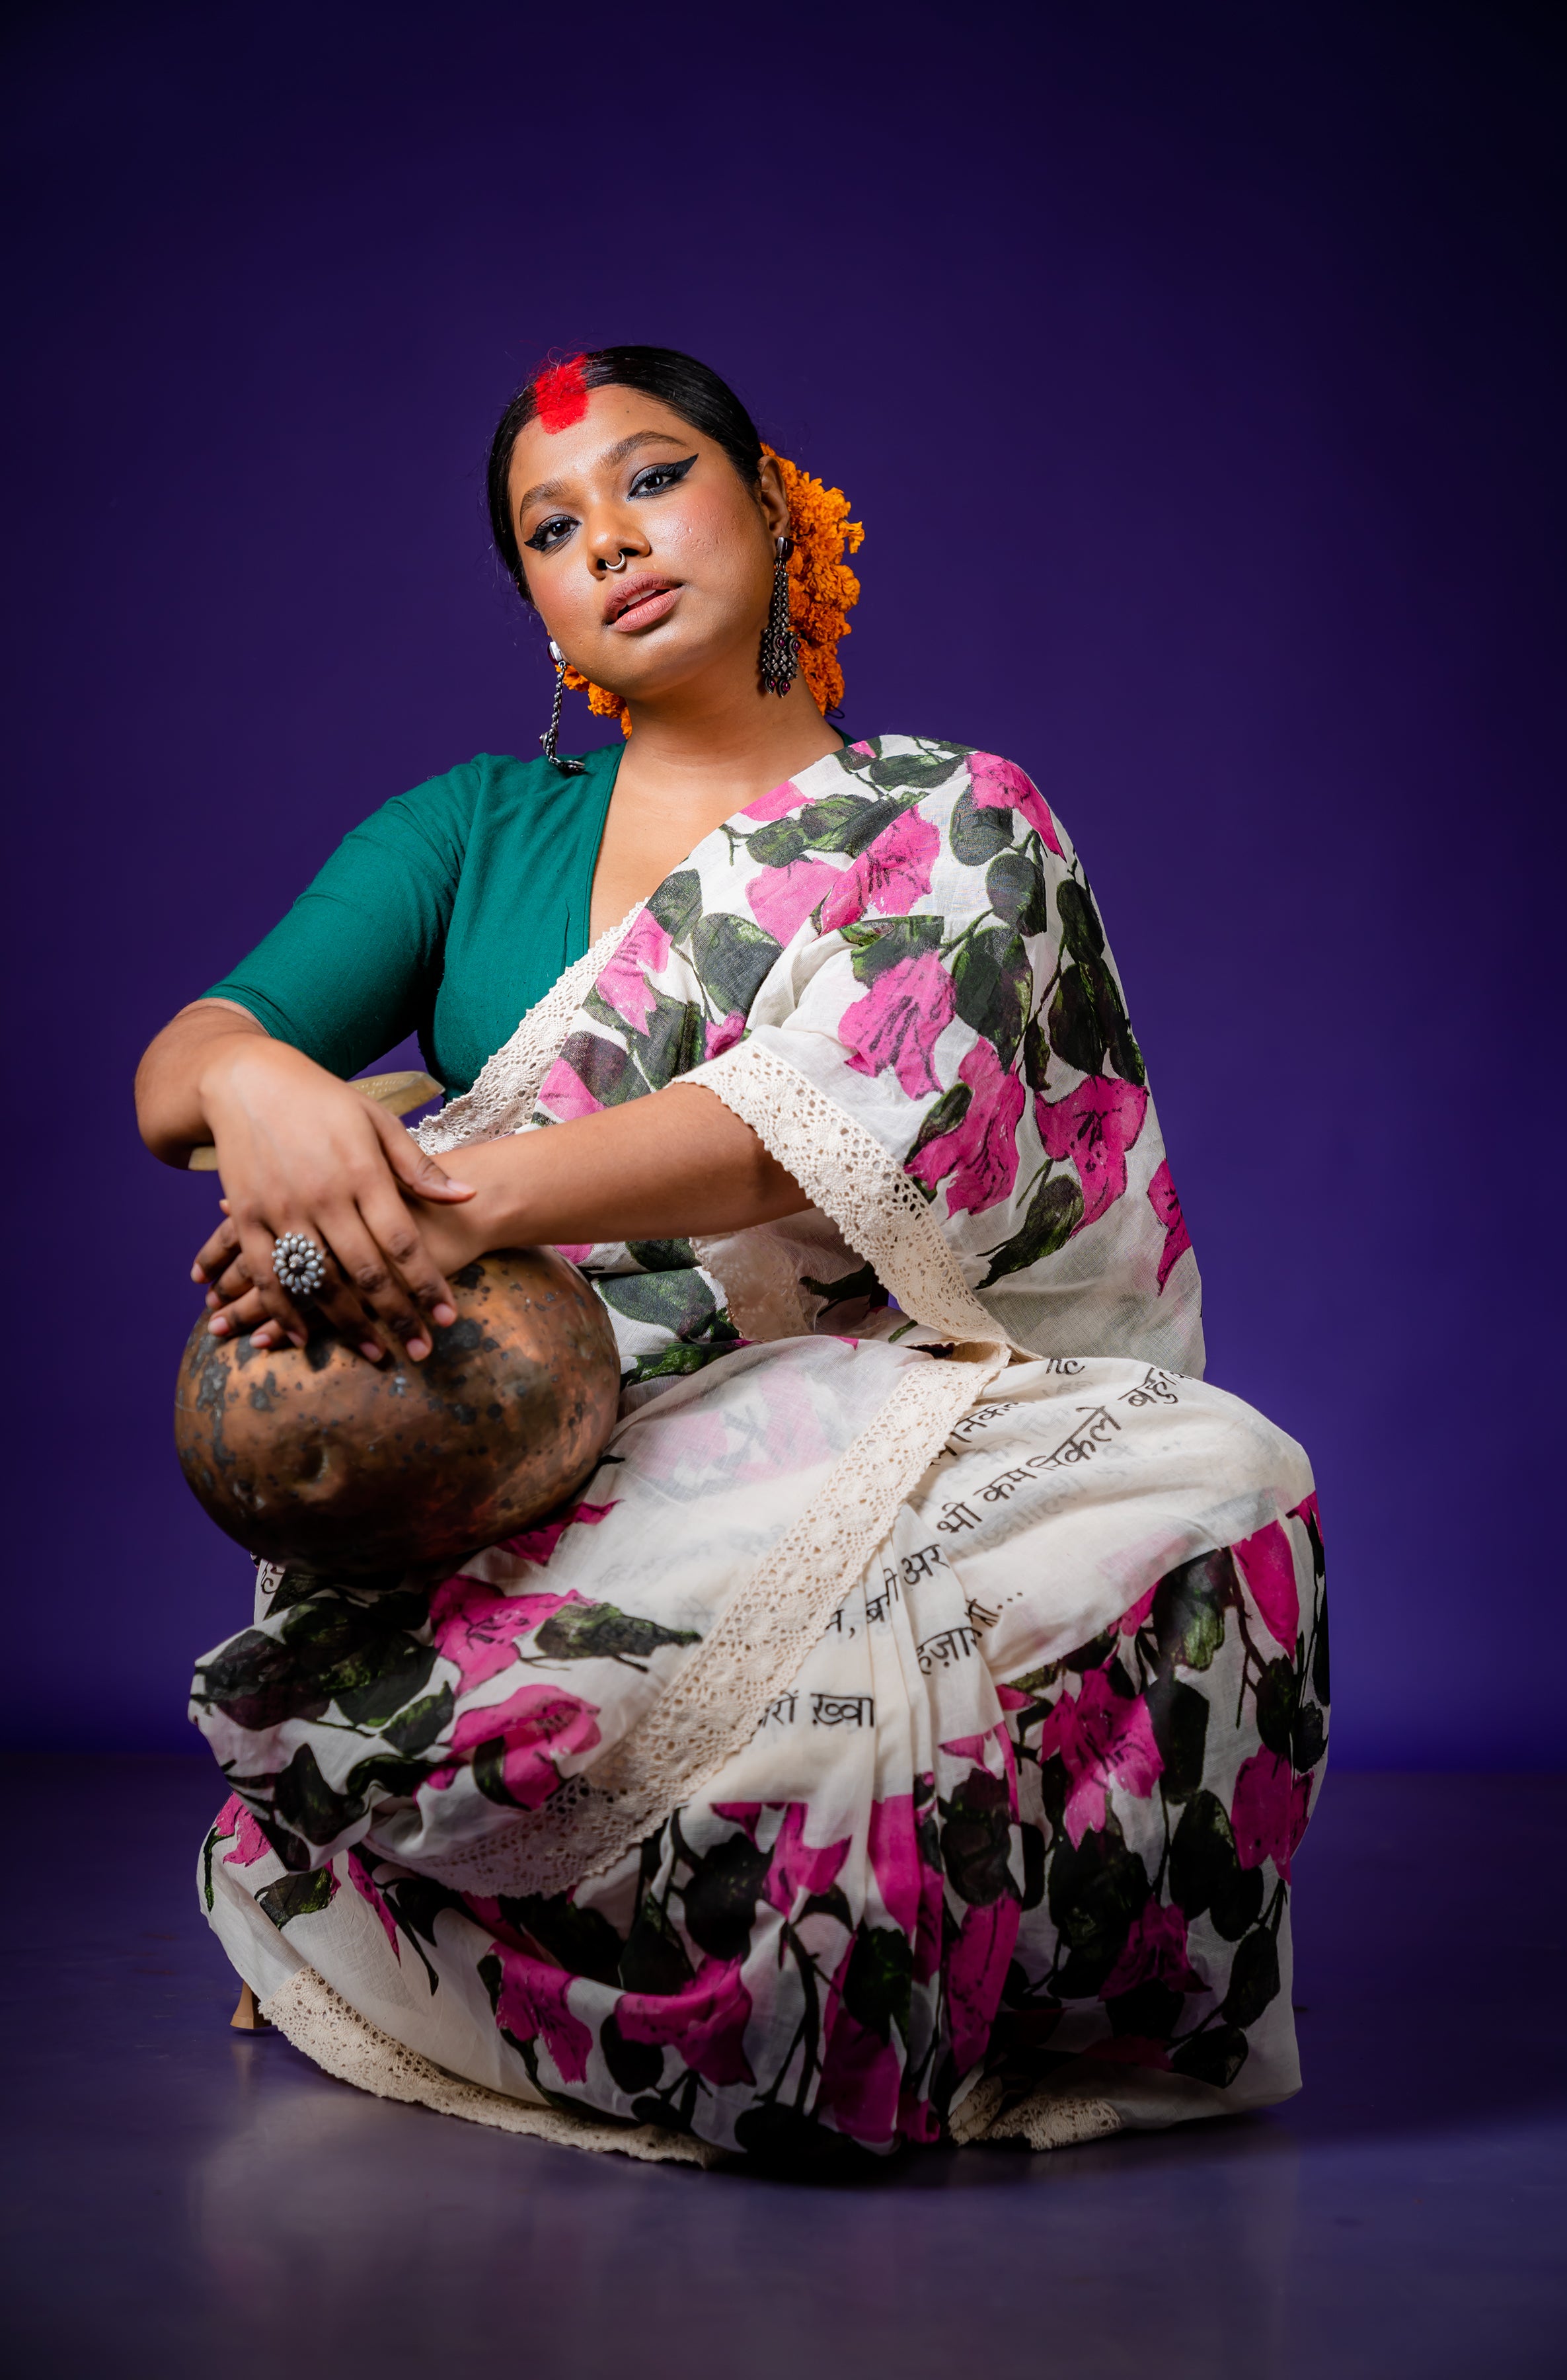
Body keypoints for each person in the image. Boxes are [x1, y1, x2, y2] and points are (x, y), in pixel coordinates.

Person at [137, 345, 1327, 2167]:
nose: (608, 540)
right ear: (542, 614)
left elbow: (801, 1126)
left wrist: (430, 1190)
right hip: (535, 1459)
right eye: (552, 529)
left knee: (1221, 1489)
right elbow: (186, 1068)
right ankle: (385, 1902)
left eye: (651, 478)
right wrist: (263, 1090)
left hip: (868, 1417)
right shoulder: (474, 832)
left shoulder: (957, 819)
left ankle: (520, 1922)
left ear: (776, 511)